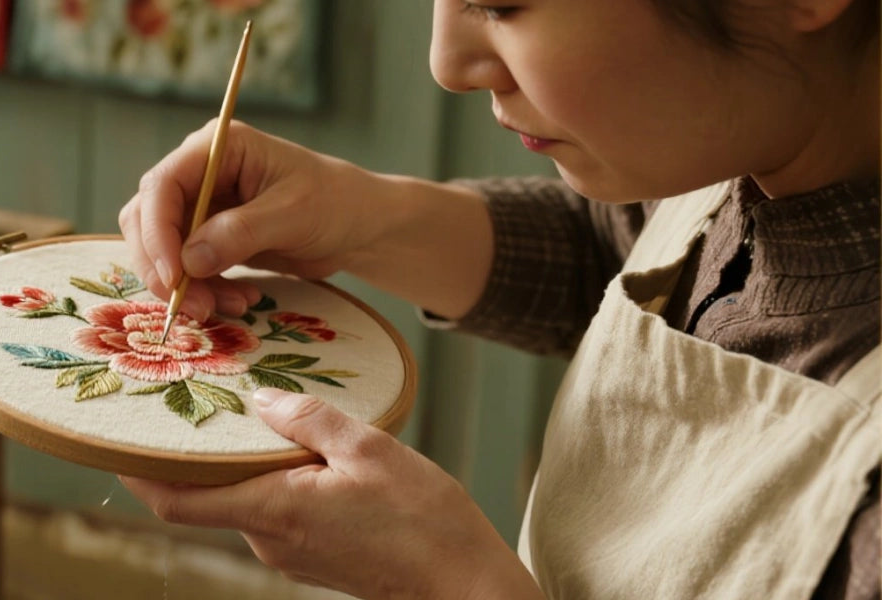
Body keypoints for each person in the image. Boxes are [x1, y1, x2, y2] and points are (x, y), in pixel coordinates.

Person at [114, 0, 880, 598]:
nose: (447, 64)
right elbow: (622, 257)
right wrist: (358, 215)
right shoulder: (736, 160)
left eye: (502, 3)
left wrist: (446, 583)